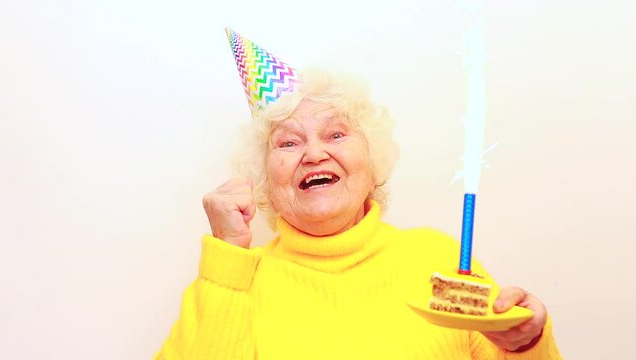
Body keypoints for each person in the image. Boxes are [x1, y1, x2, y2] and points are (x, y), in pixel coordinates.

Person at [154, 30, 562, 360]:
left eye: (335, 134)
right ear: (263, 181)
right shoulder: (238, 282)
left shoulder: (436, 260)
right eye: (288, 143)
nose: (314, 154)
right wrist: (227, 256)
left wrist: (524, 344)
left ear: (371, 161)